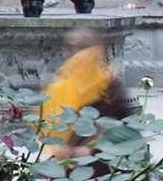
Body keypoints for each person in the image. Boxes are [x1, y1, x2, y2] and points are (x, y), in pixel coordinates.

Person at [38, 25, 134, 153]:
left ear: (97, 51)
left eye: (82, 48)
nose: (75, 54)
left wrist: (90, 150)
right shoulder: (58, 87)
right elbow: (44, 130)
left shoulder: (110, 89)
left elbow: (126, 135)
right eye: (69, 48)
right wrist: (56, 147)